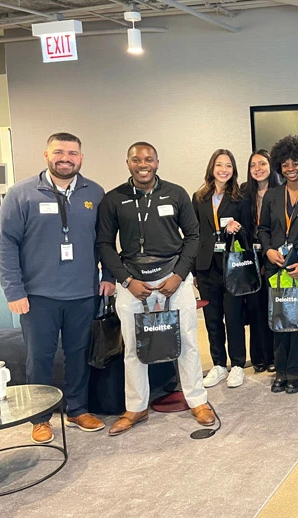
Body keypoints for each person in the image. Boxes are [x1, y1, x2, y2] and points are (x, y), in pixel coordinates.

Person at [0, 132, 114, 443]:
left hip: (83, 294)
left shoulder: (95, 193)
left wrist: (109, 277)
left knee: (78, 355)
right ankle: (40, 417)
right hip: (37, 297)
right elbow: (4, 244)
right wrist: (14, 291)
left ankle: (77, 409)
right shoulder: (21, 194)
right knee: (40, 358)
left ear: (81, 158)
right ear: (46, 155)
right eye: (59, 152)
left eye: (72, 153)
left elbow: (104, 241)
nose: (66, 158)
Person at [97, 141, 214, 435]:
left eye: (148, 159)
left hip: (172, 279)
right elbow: (104, 244)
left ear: (157, 162)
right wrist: (126, 280)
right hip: (133, 281)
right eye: (136, 159)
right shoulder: (114, 199)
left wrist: (179, 275)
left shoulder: (175, 194)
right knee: (134, 347)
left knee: (187, 339)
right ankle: (136, 407)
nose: (143, 164)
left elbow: (193, 236)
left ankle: (197, 400)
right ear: (128, 164)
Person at [258, 135, 298, 394]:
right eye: (285, 164)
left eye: (295, 163)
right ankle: (281, 370)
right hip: (276, 269)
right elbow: (262, 229)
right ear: (279, 167)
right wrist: (269, 250)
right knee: (279, 321)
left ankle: (297, 372)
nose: (291, 168)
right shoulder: (272, 196)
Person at [192, 149, 247, 389]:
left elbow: (249, 230)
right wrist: (193, 271)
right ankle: (217, 364)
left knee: (233, 316)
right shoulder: (199, 197)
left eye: (228, 166)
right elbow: (194, 234)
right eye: (219, 165)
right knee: (212, 319)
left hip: (230, 264)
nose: (224, 170)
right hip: (206, 266)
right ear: (211, 168)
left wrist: (238, 227)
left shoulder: (239, 197)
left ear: (233, 170)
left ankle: (237, 365)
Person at [241, 149, 276, 373]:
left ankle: (272, 356)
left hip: (271, 255)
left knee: (271, 307)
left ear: (270, 166)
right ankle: (258, 357)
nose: (258, 169)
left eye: (262, 164)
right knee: (254, 309)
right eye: (253, 165)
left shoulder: (279, 192)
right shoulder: (244, 193)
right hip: (248, 257)